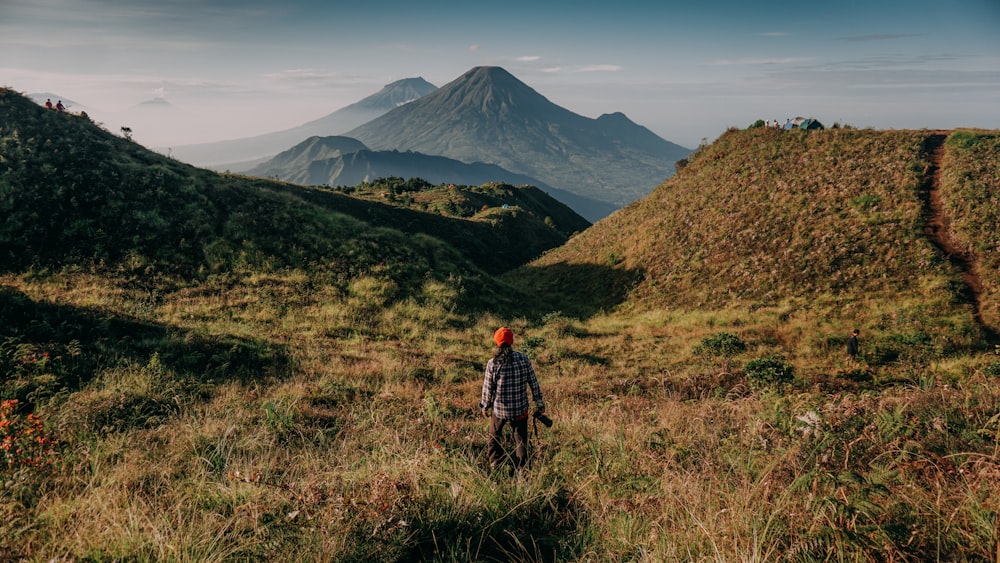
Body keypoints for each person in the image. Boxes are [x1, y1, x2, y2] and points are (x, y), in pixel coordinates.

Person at [479, 327, 545, 471]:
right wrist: (539, 402)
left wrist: (485, 406)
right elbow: (533, 382)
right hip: (520, 409)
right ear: (512, 341)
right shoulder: (523, 359)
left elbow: (487, 388)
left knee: (494, 435)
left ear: (496, 343)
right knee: (520, 439)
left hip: (500, 410)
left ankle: (495, 462)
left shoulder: (493, 363)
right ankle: (522, 469)